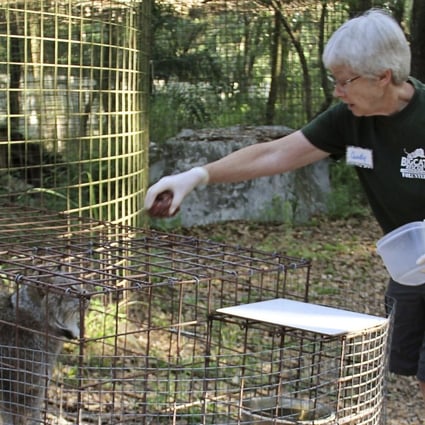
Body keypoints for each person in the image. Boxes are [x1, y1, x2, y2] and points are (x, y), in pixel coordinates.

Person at [144, 9, 425, 403]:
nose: (337, 92)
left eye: (345, 81)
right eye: (334, 80)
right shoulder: (349, 119)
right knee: (419, 375)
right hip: (410, 270)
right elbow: (275, 154)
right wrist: (196, 176)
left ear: (383, 76)